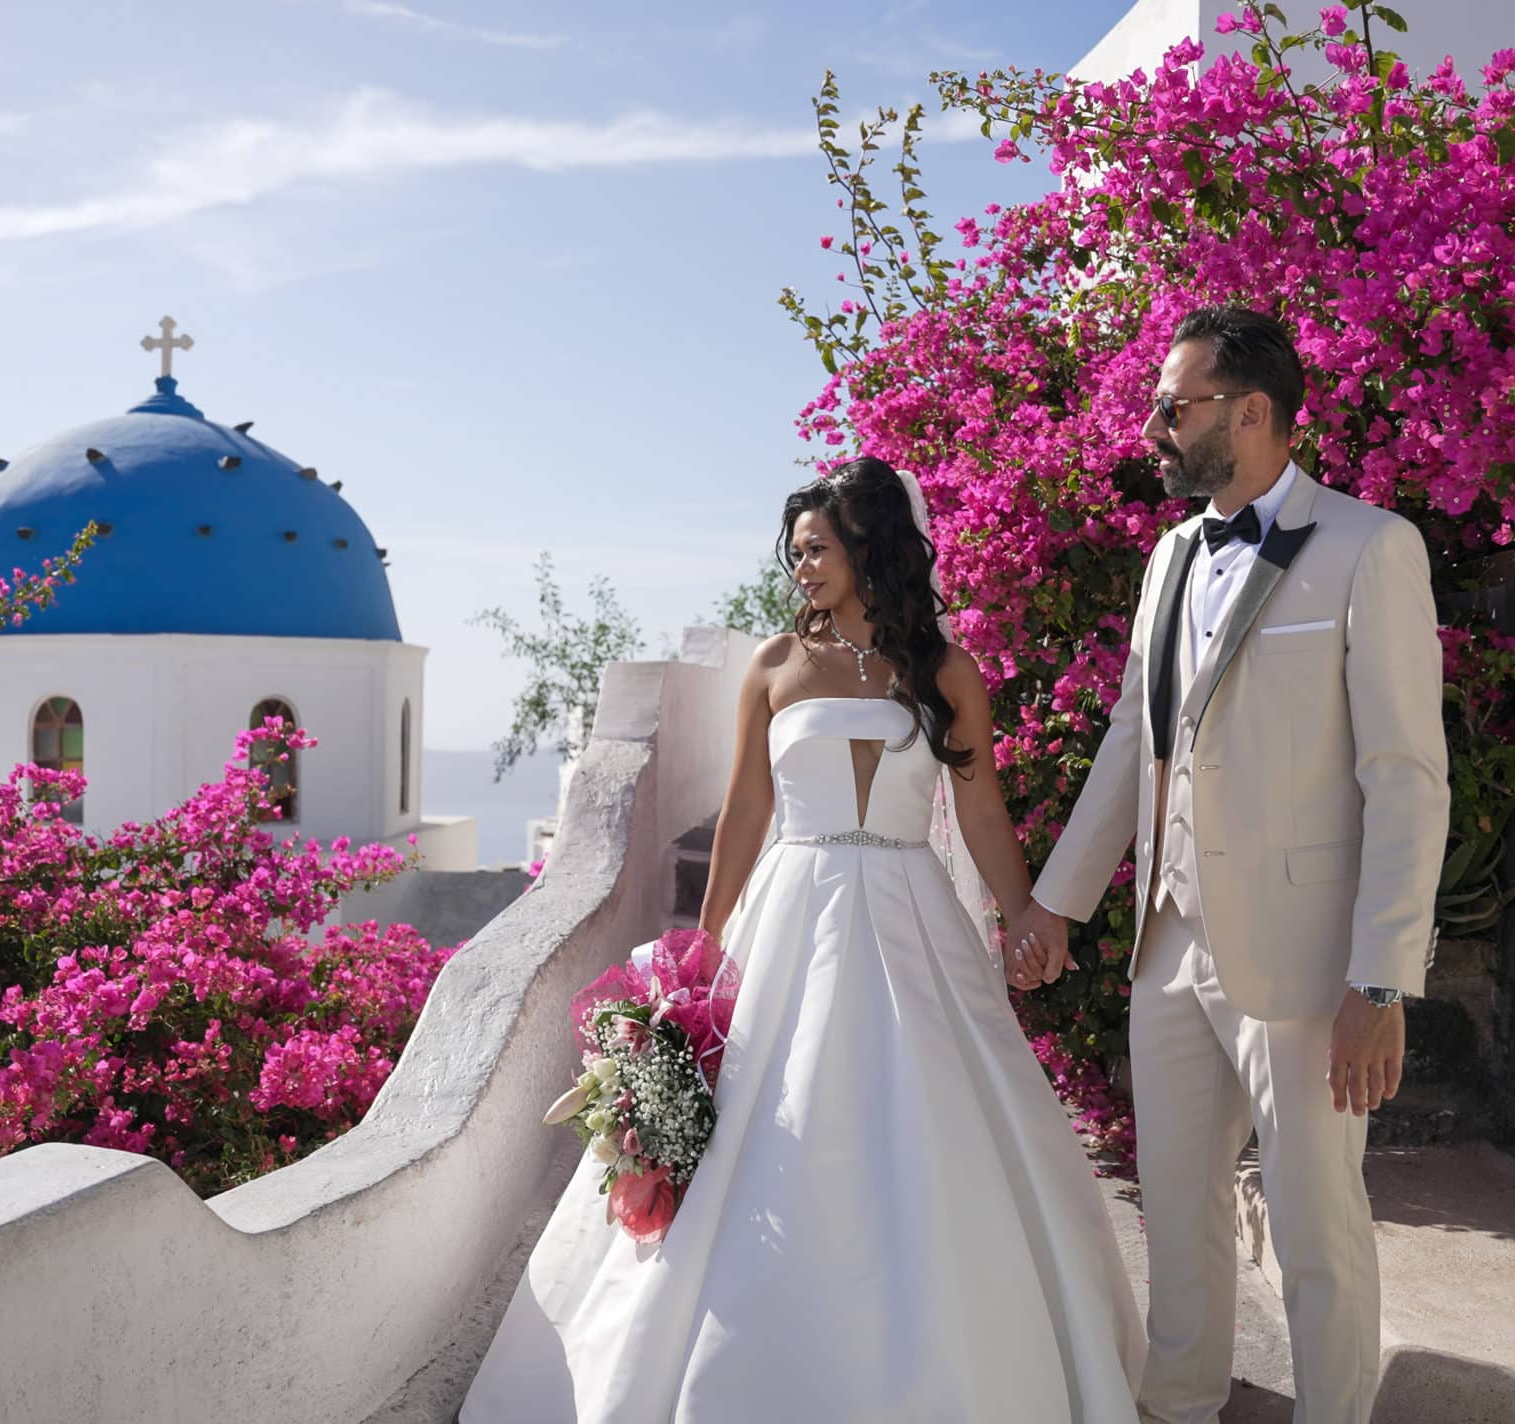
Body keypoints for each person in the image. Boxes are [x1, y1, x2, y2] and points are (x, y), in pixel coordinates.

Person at [461, 455, 1148, 1423]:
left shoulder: (945, 671)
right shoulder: (776, 664)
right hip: (793, 907)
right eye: (793, 554)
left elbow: (981, 806)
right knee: (764, 1116)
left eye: (817, 549)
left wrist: (1025, 911)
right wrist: (696, 958)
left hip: (912, 914)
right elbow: (746, 809)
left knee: (932, 1116)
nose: (802, 570)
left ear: (870, 548)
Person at [1016, 305, 1449, 1424]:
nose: (1153, 427)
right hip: (1169, 942)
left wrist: (1382, 979)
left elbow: (1405, 779)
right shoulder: (1169, 555)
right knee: (1178, 1206)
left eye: (1175, 406)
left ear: (1251, 413)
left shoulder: (1370, 546)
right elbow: (1133, 734)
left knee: (1313, 1225)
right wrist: (1058, 903)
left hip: (1304, 960)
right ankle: (1176, 1402)